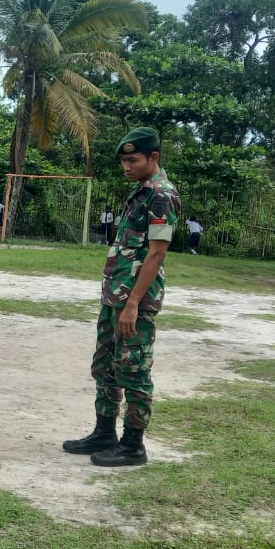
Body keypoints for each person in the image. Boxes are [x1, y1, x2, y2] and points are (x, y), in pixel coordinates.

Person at [62, 126, 180, 467]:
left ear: (153, 157)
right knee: (107, 367)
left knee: (134, 370)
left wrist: (132, 304)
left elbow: (156, 253)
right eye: (124, 161)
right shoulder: (141, 191)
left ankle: (132, 445)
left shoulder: (162, 195)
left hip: (135, 301)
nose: (126, 166)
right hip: (116, 295)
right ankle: (104, 433)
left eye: (133, 160)